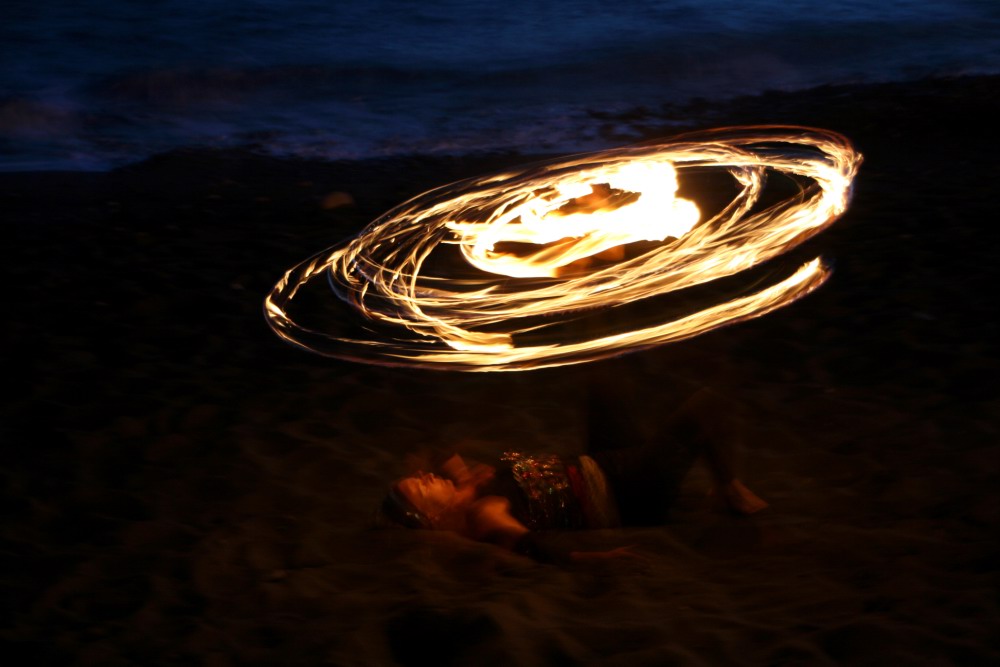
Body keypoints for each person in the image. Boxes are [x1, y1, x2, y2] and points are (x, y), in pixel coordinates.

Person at [378, 387, 767, 564]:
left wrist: (444, 469)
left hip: (604, 460)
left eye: (421, 477)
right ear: (432, 518)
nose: (428, 478)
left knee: (603, 388)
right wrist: (597, 556)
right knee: (706, 404)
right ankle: (729, 488)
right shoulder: (485, 513)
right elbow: (534, 547)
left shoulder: (466, 488)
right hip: (632, 490)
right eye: (422, 487)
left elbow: (441, 451)